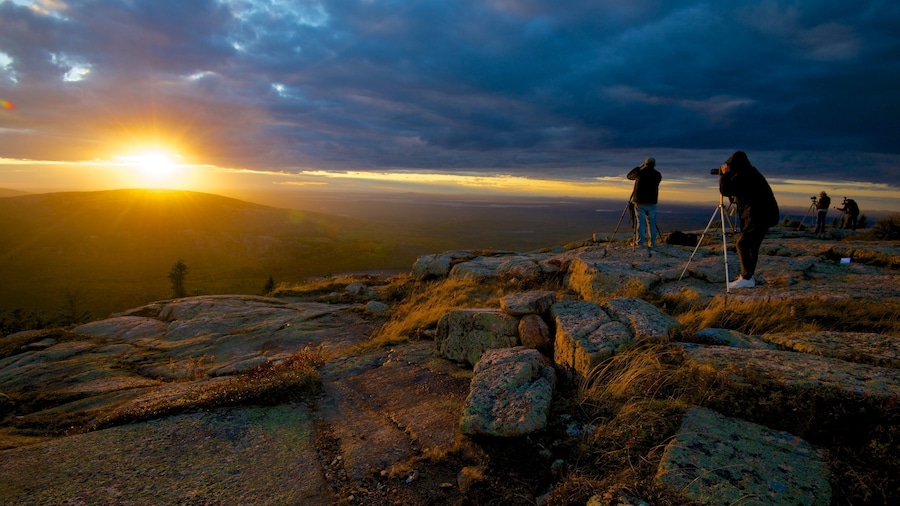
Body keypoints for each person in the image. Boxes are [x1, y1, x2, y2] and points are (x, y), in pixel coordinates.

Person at [718, 151, 779, 290]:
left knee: (743, 244)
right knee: (752, 245)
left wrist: (724, 174)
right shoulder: (750, 172)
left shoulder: (743, 175)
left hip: (757, 215)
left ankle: (746, 278)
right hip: (764, 215)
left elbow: (725, 189)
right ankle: (748, 276)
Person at [626, 157, 662, 250]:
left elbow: (629, 176)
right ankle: (652, 243)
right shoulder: (658, 175)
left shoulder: (640, 173)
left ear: (645, 164)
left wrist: (639, 167)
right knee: (651, 223)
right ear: (654, 165)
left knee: (640, 223)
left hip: (640, 202)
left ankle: (639, 243)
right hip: (652, 202)